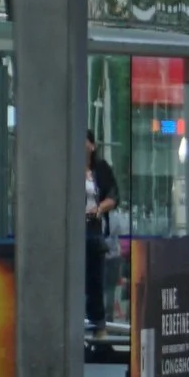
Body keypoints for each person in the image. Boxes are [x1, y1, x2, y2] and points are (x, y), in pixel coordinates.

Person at [84, 132, 119, 327]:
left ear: (92, 146)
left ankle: (98, 325)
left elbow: (113, 196)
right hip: (74, 230)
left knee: (95, 282)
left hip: (94, 229)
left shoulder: (101, 169)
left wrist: (98, 209)